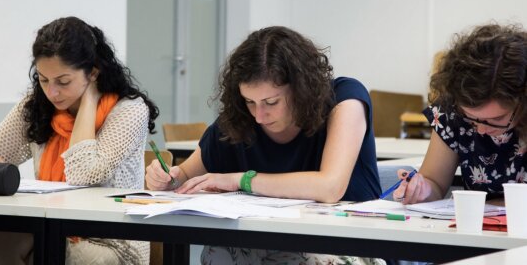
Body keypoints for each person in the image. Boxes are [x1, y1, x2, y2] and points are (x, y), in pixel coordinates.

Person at [146, 26, 384, 265]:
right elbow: (186, 173)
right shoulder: (240, 120)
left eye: (271, 102)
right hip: (270, 246)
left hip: (350, 244)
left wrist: (241, 180)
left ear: (301, 88)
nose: (259, 116)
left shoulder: (345, 99)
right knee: (217, 252)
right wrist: (169, 179)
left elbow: (330, 187)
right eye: (250, 101)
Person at [0, 16, 159, 264]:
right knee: (3, 230)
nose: (51, 92)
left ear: (93, 73)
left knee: (14, 236)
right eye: (43, 80)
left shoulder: (128, 110)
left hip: (113, 243)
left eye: (63, 82)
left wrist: (89, 101)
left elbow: (82, 174)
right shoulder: (37, 107)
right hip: (49, 226)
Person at [393, 23, 526, 204]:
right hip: (472, 229)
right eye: (471, 119)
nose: (481, 130)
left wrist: (480, 206)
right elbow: (435, 182)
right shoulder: (452, 112)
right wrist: (422, 190)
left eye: (496, 119)